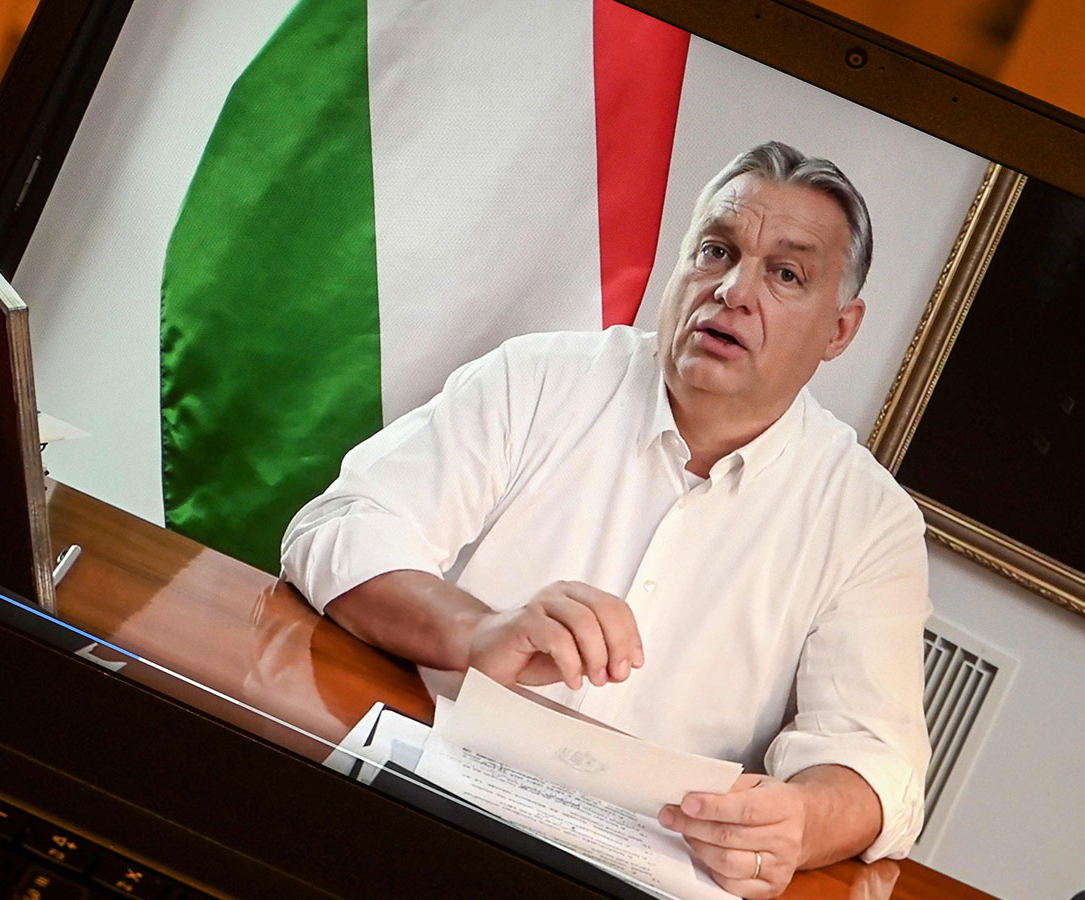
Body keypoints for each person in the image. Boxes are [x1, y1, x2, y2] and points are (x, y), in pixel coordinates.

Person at [281, 141, 930, 900]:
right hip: (418, 818)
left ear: (840, 331)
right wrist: (476, 631)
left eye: (786, 274)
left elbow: (879, 762)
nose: (732, 290)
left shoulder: (869, 521)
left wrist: (802, 819)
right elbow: (340, 527)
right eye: (716, 251)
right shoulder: (541, 378)